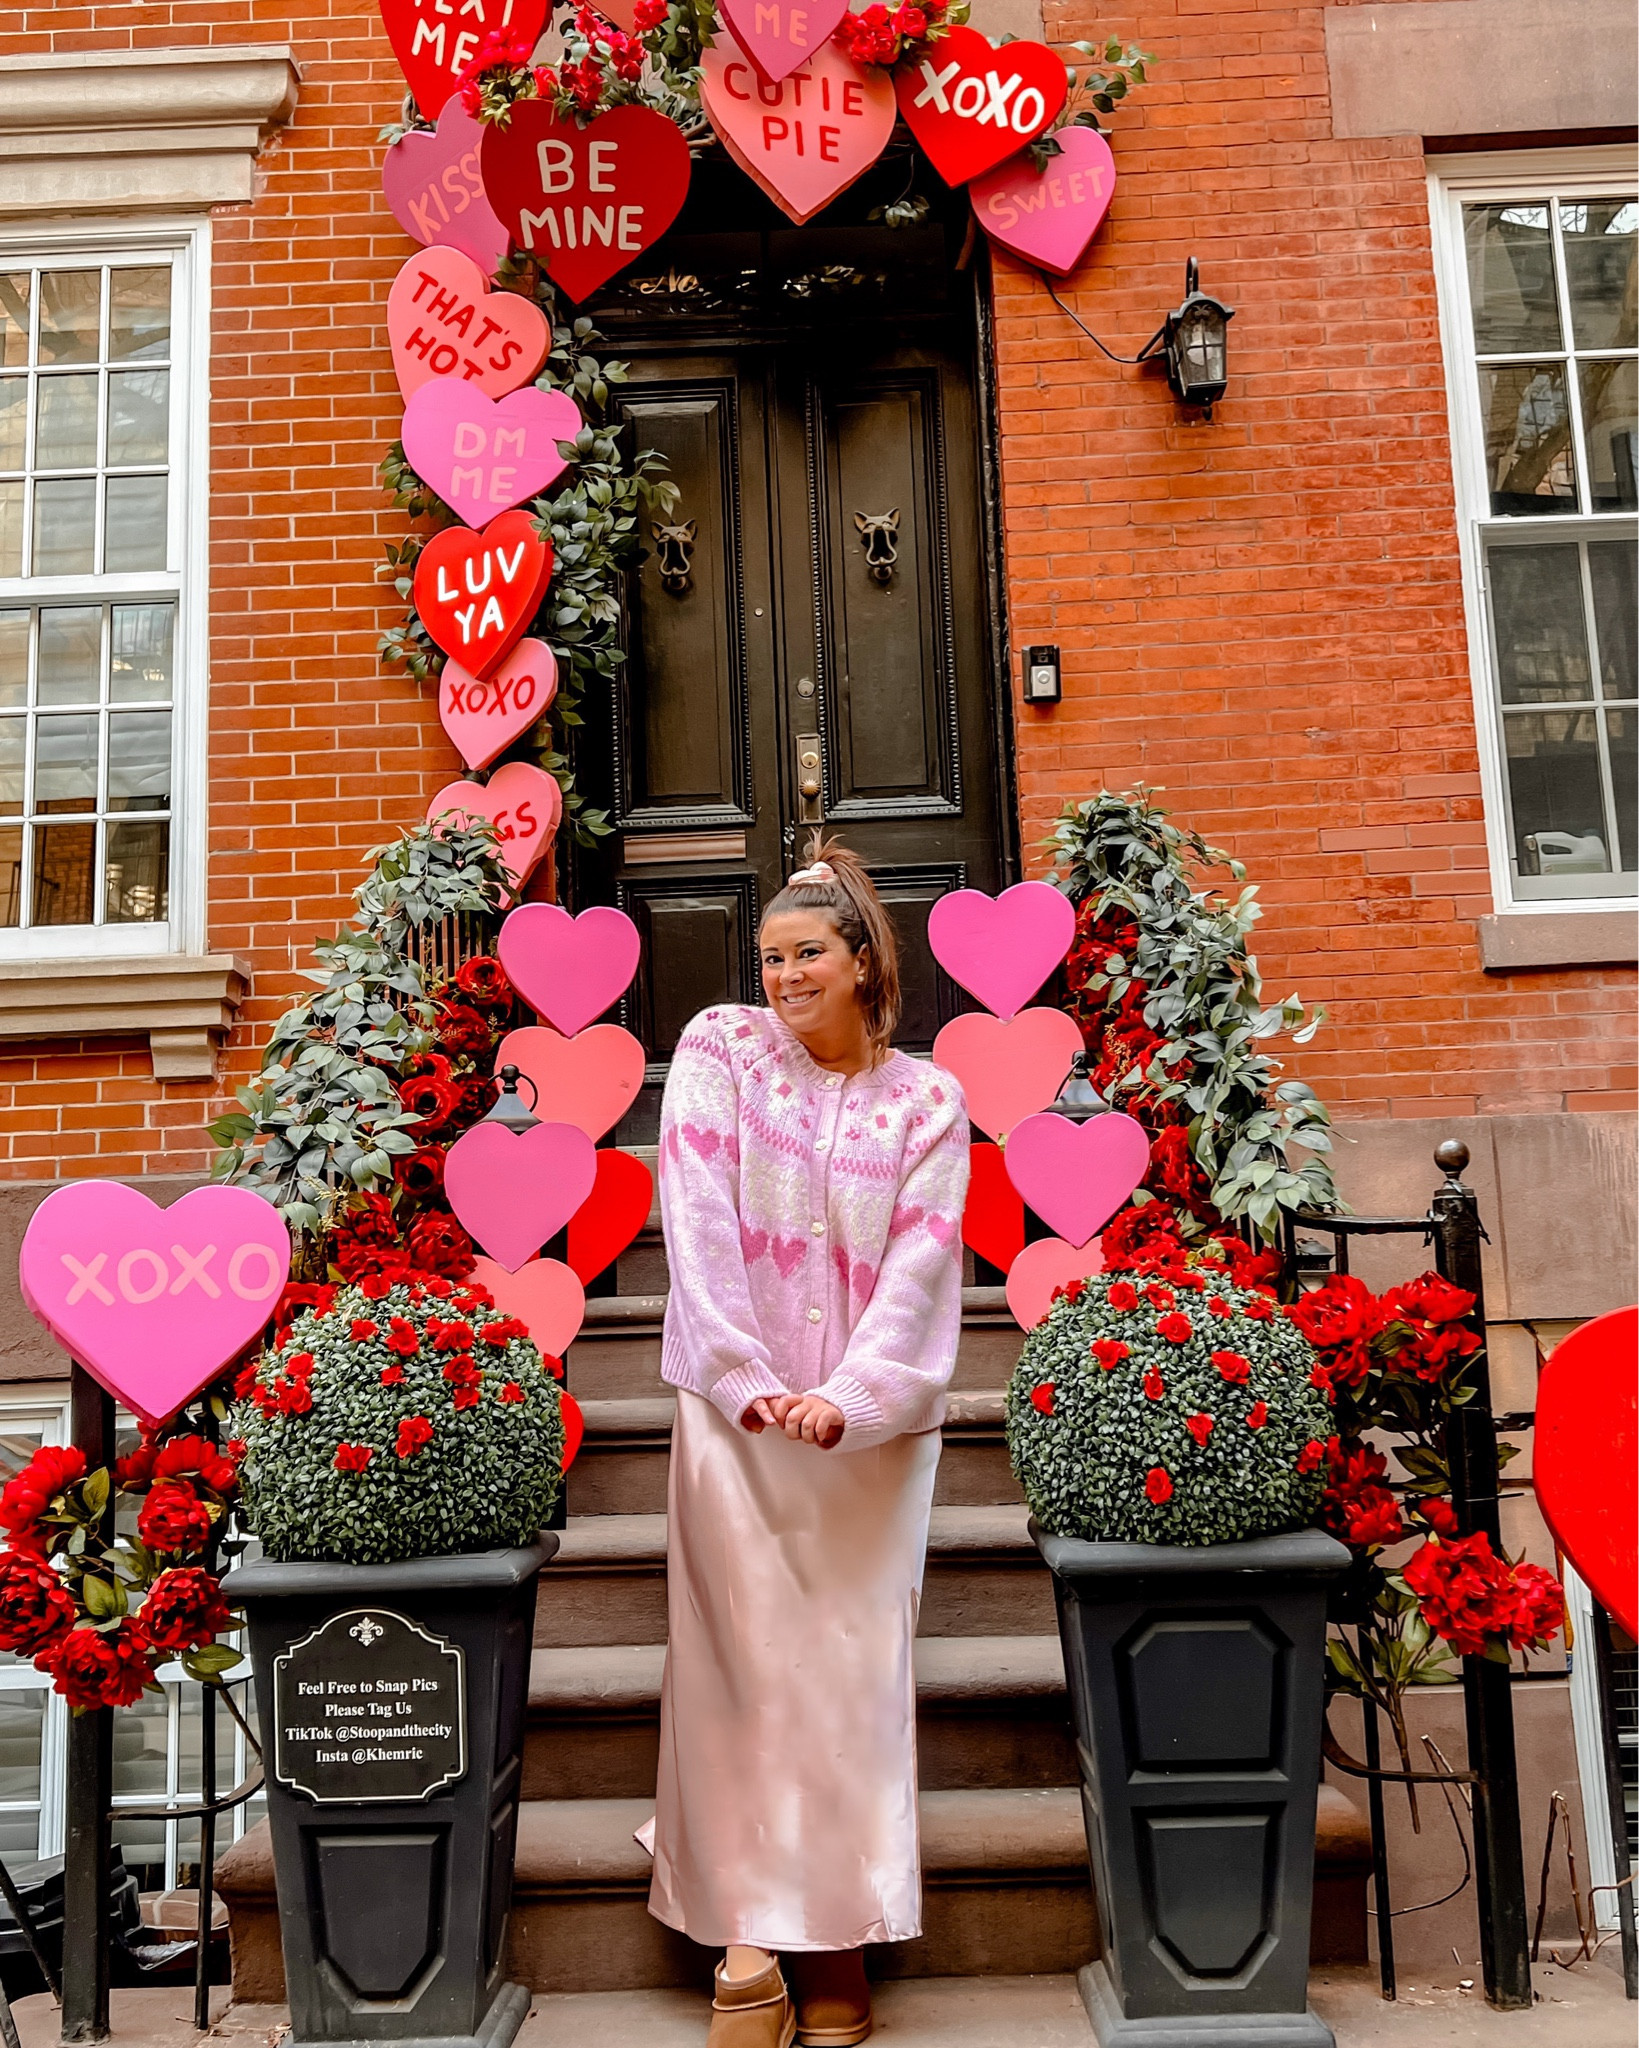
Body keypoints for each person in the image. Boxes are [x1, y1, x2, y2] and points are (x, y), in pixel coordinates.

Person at [642, 838, 971, 2048]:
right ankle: (746, 1936)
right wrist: (744, 1375)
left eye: (807, 954)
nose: (782, 976)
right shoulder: (723, 1051)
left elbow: (926, 1256)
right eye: (771, 955)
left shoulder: (929, 1099)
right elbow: (696, 1212)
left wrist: (858, 1393)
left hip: (864, 1443)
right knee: (739, 1673)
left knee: (844, 1681)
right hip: (736, 1423)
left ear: (864, 963)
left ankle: (835, 1931)